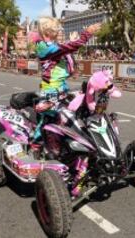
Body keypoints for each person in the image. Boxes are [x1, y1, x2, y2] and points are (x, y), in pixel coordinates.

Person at [30, 16, 101, 146]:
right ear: (47, 32)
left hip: (60, 88)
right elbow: (68, 48)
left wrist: (72, 41)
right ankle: (35, 144)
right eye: (55, 29)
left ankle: (60, 143)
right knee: (50, 119)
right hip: (51, 90)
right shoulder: (44, 47)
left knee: (64, 117)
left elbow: (64, 49)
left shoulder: (50, 46)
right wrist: (87, 34)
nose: (58, 32)